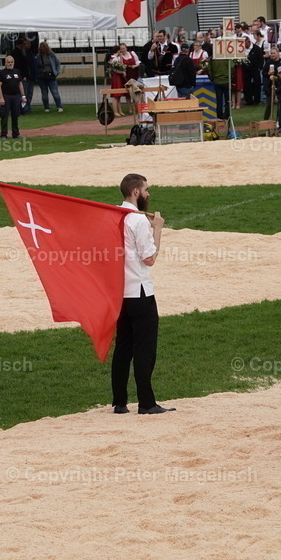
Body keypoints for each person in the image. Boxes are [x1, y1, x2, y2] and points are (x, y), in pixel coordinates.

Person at [112, 173, 171, 415]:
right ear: (136, 192)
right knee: (144, 349)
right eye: (146, 189)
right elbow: (149, 259)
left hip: (120, 293)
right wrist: (157, 229)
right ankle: (146, 403)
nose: (148, 194)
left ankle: (119, 402)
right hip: (140, 291)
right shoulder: (137, 221)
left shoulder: (115, 214)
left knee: (123, 348)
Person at [0, 54, 26, 139]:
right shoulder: (2, 73)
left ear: (14, 62)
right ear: (5, 63)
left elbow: (20, 84)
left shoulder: (17, 71)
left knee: (15, 115)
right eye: (8, 62)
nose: (10, 63)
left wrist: (23, 96)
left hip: (16, 96)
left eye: (11, 62)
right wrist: (1, 97)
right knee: (4, 116)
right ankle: (3, 134)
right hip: (6, 96)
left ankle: (15, 134)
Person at [35, 41, 64, 112]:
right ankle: (46, 107)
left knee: (55, 92)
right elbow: (35, 66)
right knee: (44, 93)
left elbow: (57, 63)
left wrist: (57, 72)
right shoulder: (38, 57)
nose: (42, 49)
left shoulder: (52, 55)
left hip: (51, 76)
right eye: (41, 48)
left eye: (44, 47)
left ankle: (59, 106)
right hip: (41, 77)